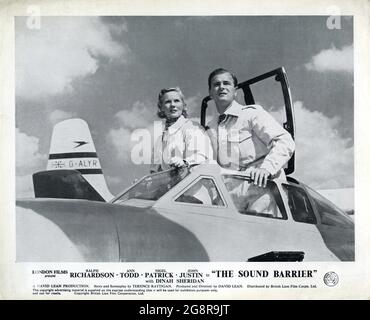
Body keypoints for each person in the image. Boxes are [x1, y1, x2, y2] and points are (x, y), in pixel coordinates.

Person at [206, 68, 295, 215]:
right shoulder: (210, 128)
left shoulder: (251, 114)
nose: (221, 87)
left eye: (226, 83)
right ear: (210, 92)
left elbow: (284, 141)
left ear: (235, 91)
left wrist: (266, 169)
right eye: (216, 84)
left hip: (262, 187)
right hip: (231, 196)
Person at [151, 87, 213, 173]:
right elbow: (155, 171)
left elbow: (203, 156)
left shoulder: (193, 128)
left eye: (176, 101)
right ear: (161, 108)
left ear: (183, 106)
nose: (172, 105)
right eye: (168, 102)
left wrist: (185, 162)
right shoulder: (159, 140)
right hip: (172, 185)